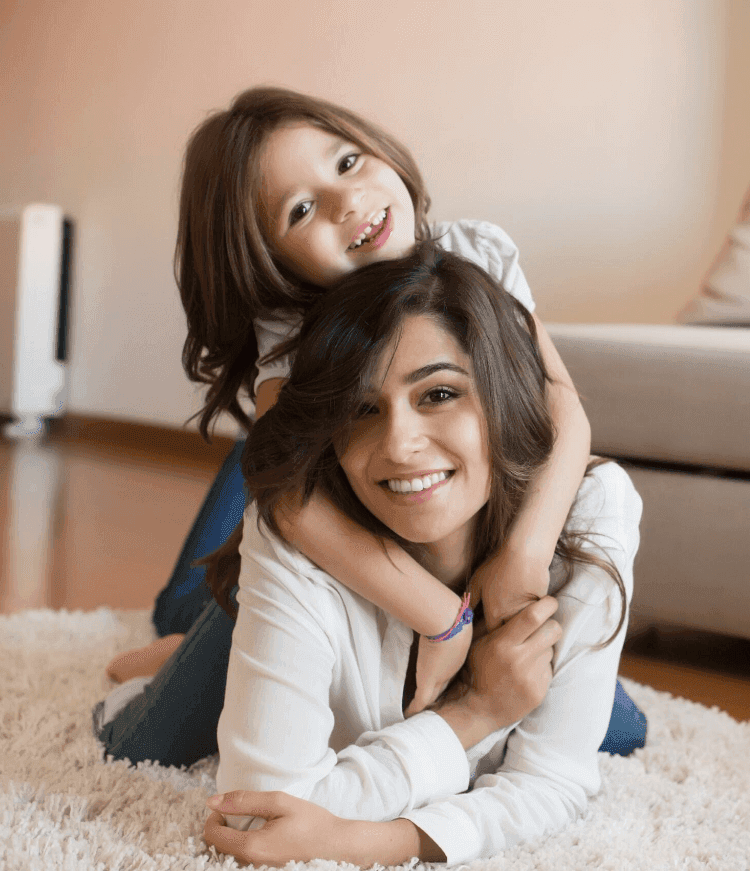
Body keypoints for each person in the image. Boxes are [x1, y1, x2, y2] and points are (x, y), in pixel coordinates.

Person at [95, 87, 645, 765]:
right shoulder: (289, 333)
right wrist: (443, 617)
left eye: (348, 162)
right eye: (300, 210)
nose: (345, 202)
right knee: (142, 741)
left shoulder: (475, 256)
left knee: (618, 731)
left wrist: (522, 558)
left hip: (459, 541)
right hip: (334, 561)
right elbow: (286, 498)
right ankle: (185, 627)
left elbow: (561, 404)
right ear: (271, 263)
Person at [204, 242, 639, 866]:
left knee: (623, 730)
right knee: (143, 728)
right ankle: (188, 643)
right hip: (260, 596)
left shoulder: (591, 509)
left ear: (502, 394)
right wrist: (475, 712)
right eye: (361, 408)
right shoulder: (296, 527)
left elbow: (550, 782)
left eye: (438, 394)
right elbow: (254, 816)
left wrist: (363, 840)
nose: (401, 444)